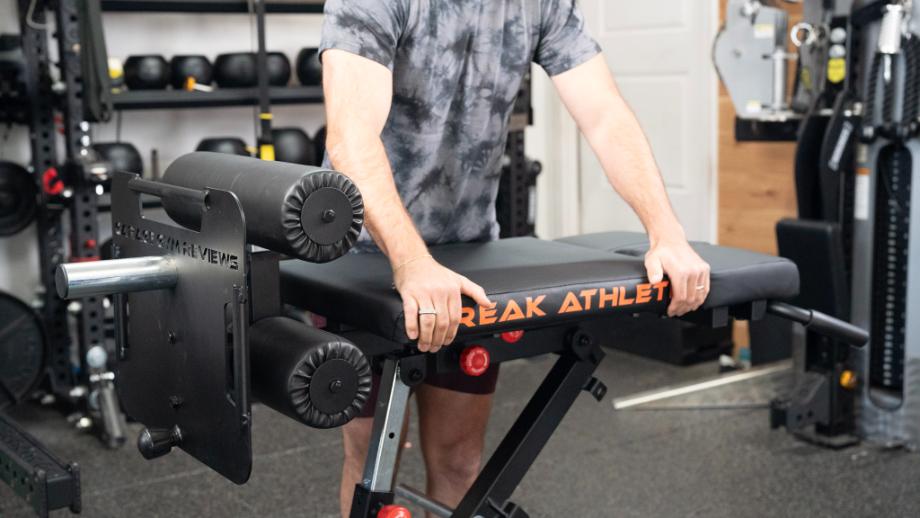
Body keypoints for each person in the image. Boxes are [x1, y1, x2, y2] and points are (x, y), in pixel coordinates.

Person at [319, 1, 711, 515]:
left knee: (460, 459)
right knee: (373, 460)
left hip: (469, 251)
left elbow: (603, 115)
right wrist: (413, 262)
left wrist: (667, 231)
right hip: (362, 255)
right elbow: (351, 138)